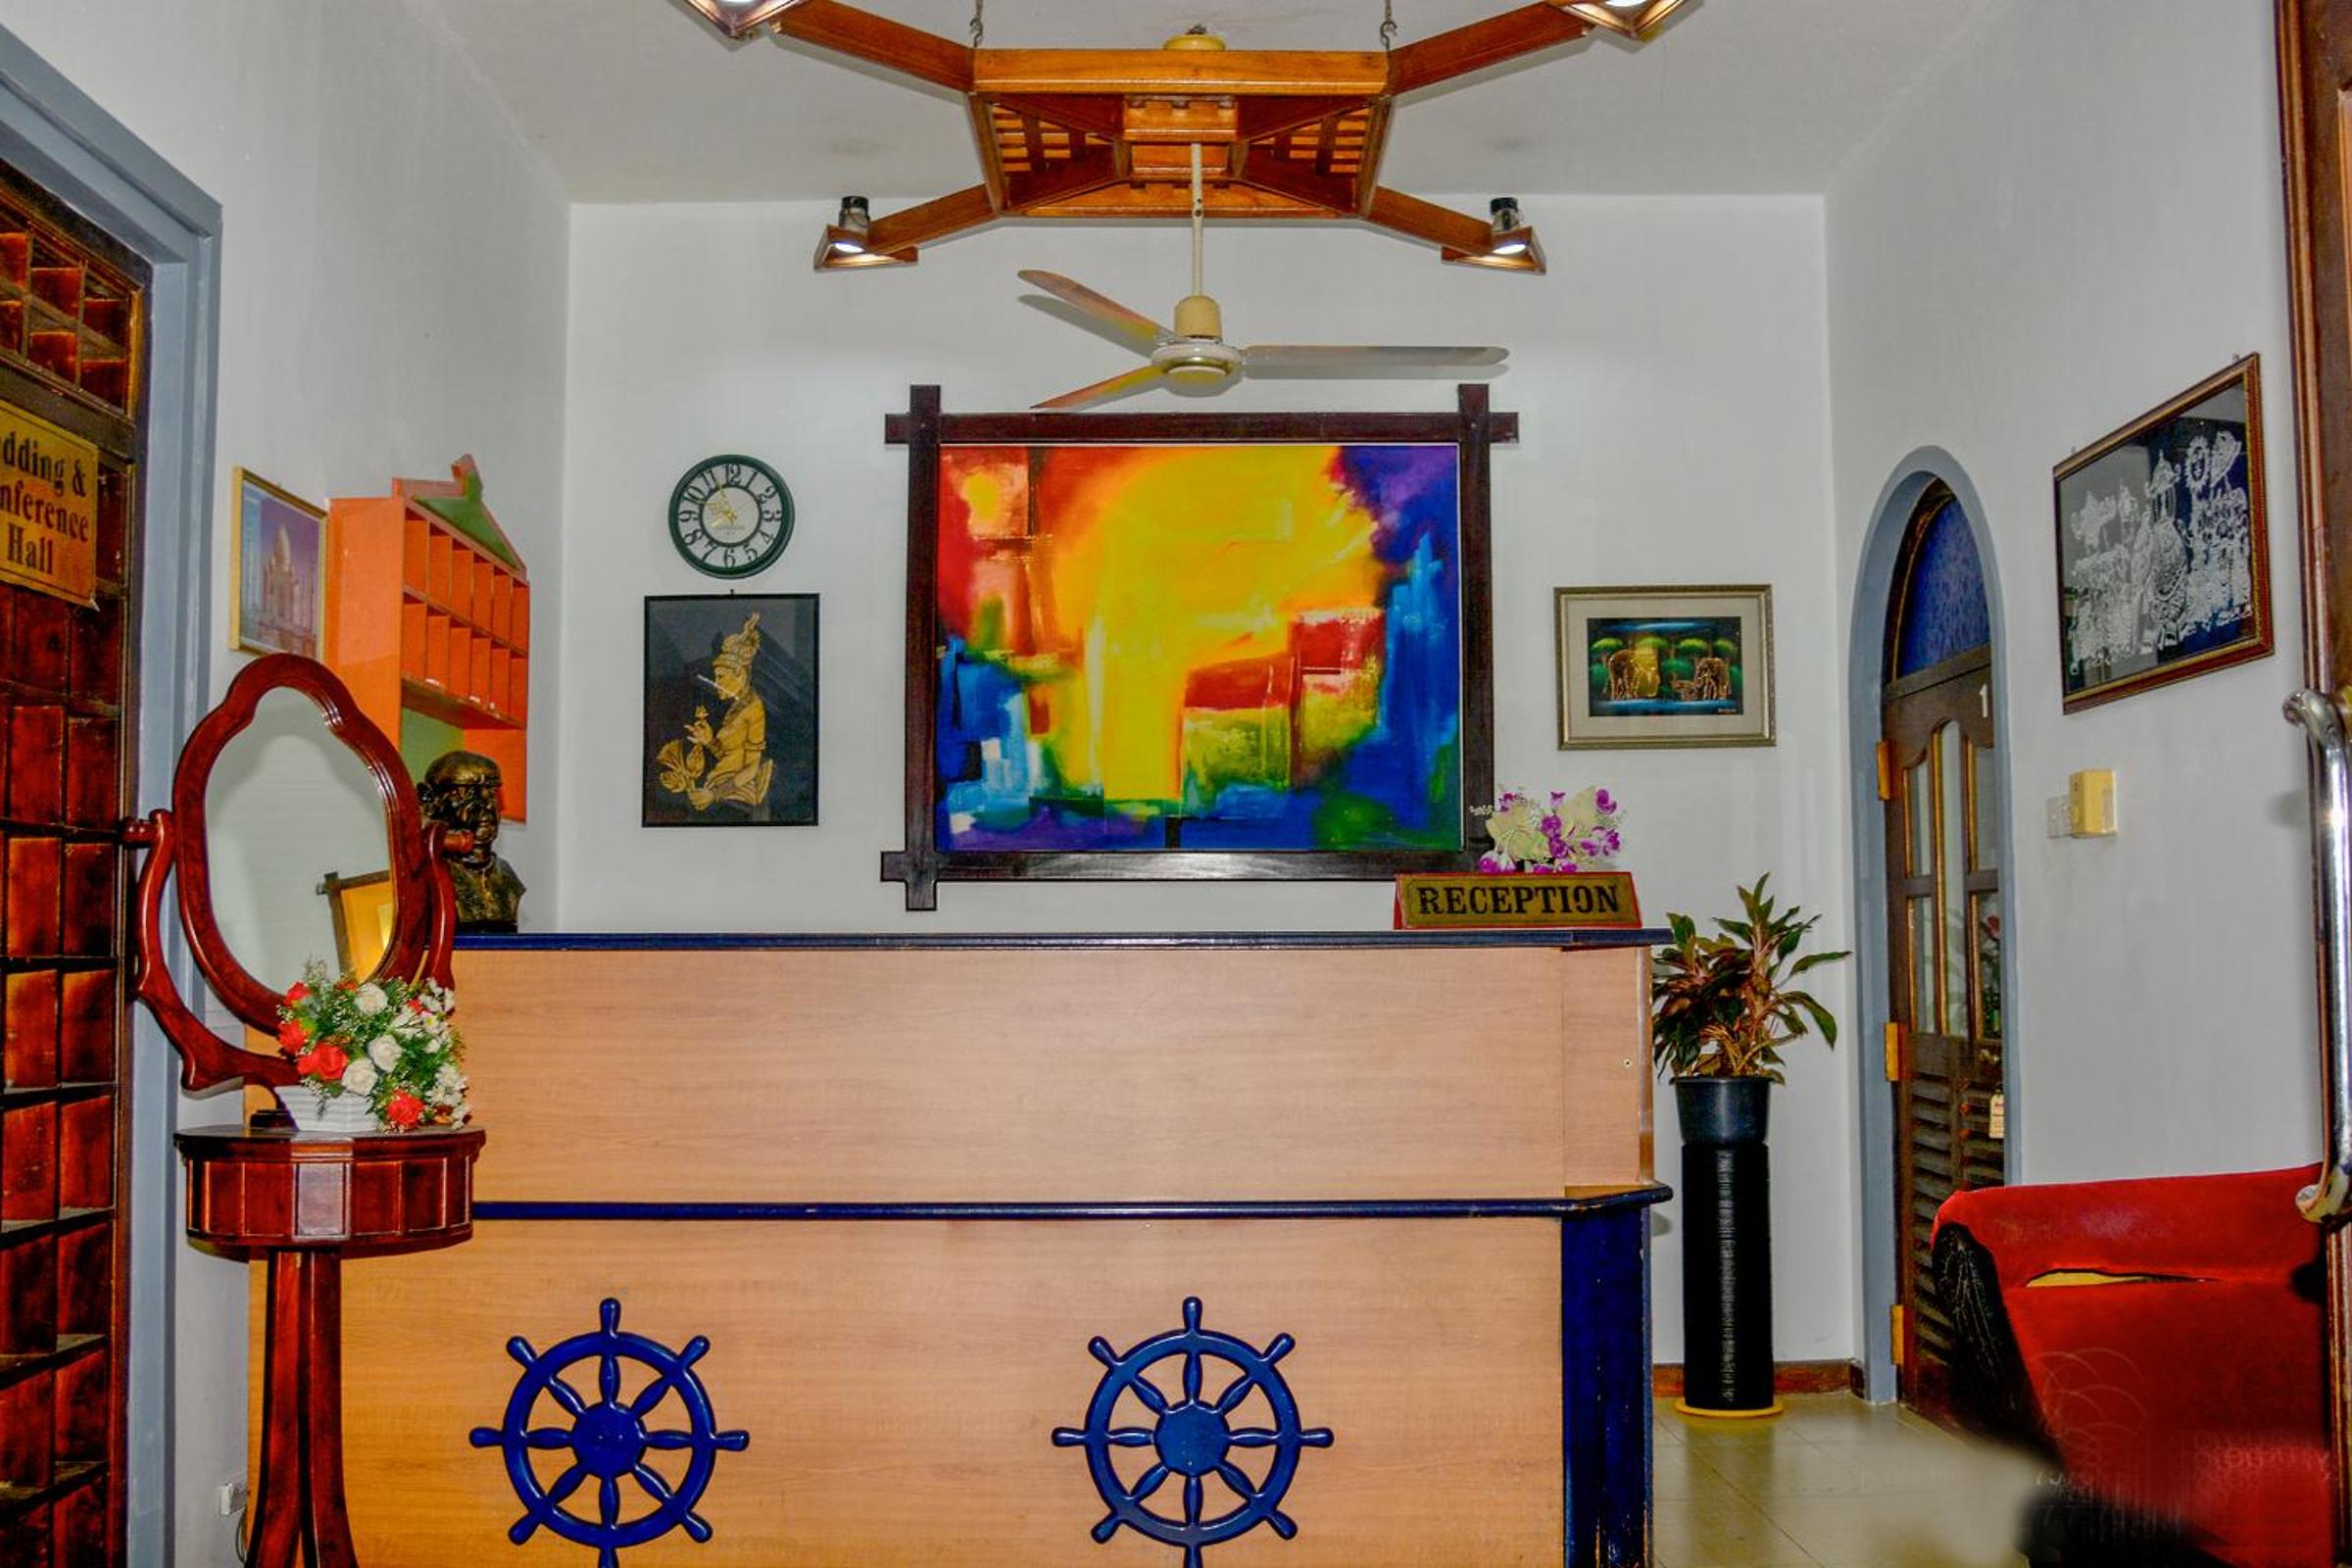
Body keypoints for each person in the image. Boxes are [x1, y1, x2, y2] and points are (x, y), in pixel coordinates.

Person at [418, 750, 526, 932]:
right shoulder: (425, 877)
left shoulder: (505, 874)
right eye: (466, 792)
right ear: (429, 799)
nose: (487, 805)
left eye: (492, 792)